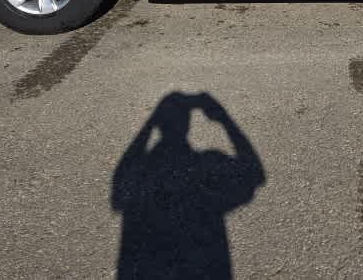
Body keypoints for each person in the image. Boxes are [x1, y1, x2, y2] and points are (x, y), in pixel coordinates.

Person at [111, 92, 265, 279]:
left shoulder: (145, 170)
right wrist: (223, 118)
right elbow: (255, 175)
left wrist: (150, 122)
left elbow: (122, 180)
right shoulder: (208, 163)